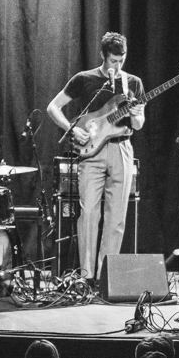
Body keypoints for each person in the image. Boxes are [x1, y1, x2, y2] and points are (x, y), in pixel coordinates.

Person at [46, 32, 145, 281]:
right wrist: (71, 128)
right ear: (103, 56)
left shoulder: (133, 83)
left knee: (117, 217)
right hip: (91, 151)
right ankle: (87, 277)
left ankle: (106, 278)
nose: (118, 66)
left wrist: (134, 113)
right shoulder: (85, 79)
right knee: (89, 212)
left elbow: (140, 123)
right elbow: (53, 107)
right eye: (113, 61)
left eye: (121, 61)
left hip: (122, 148)